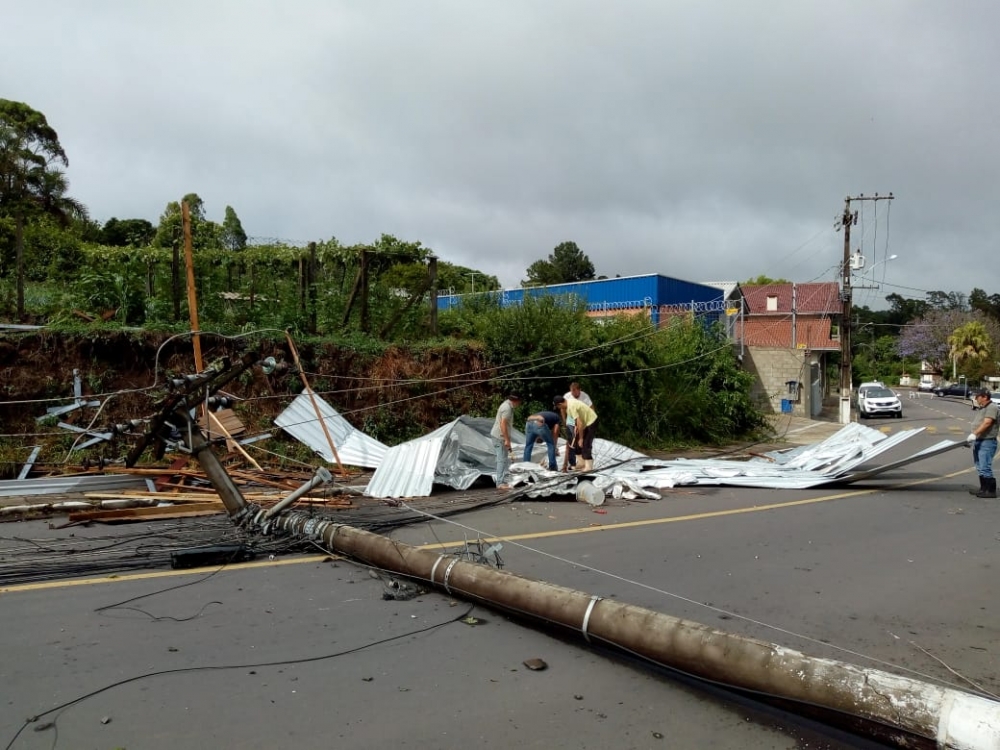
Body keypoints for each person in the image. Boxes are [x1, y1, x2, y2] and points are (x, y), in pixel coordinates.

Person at [967, 388, 998, 498]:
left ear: (985, 397)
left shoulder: (991, 407)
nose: (976, 399)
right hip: (980, 440)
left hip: (987, 442)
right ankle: (983, 488)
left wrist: (975, 434)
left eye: (978, 397)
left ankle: (990, 491)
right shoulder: (983, 408)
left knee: (985, 466)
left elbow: (987, 423)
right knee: (979, 466)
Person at [491, 393, 521, 490]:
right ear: (516, 401)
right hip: (499, 437)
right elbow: (503, 424)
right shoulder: (507, 408)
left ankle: (502, 481)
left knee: (503, 459)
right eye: (519, 402)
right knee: (501, 460)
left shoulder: (507, 405)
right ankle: (500, 483)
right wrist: (507, 440)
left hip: (500, 436)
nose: (519, 404)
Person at [562, 382, 593, 471]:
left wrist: (590, 422)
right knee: (572, 442)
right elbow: (562, 409)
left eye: (575, 392)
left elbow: (591, 408)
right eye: (572, 392)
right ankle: (574, 463)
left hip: (582, 421)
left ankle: (584, 462)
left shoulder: (584, 396)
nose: (573, 394)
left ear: (579, 390)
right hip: (571, 421)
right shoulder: (567, 396)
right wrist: (565, 421)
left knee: (582, 441)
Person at [523, 403, 563, 470]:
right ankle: (553, 467)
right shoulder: (557, 418)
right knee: (550, 444)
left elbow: (535, 428)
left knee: (528, 445)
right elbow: (555, 432)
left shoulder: (547, 415)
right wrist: (555, 447)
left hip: (529, 423)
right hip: (539, 423)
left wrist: (538, 437)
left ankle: (525, 466)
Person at [565, 396, 598, 472]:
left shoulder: (571, 407)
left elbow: (579, 422)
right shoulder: (569, 405)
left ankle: (589, 466)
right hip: (584, 422)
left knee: (585, 443)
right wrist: (576, 427)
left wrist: (581, 438)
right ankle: (581, 463)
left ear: (560, 404)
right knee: (577, 443)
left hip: (591, 421)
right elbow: (578, 420)